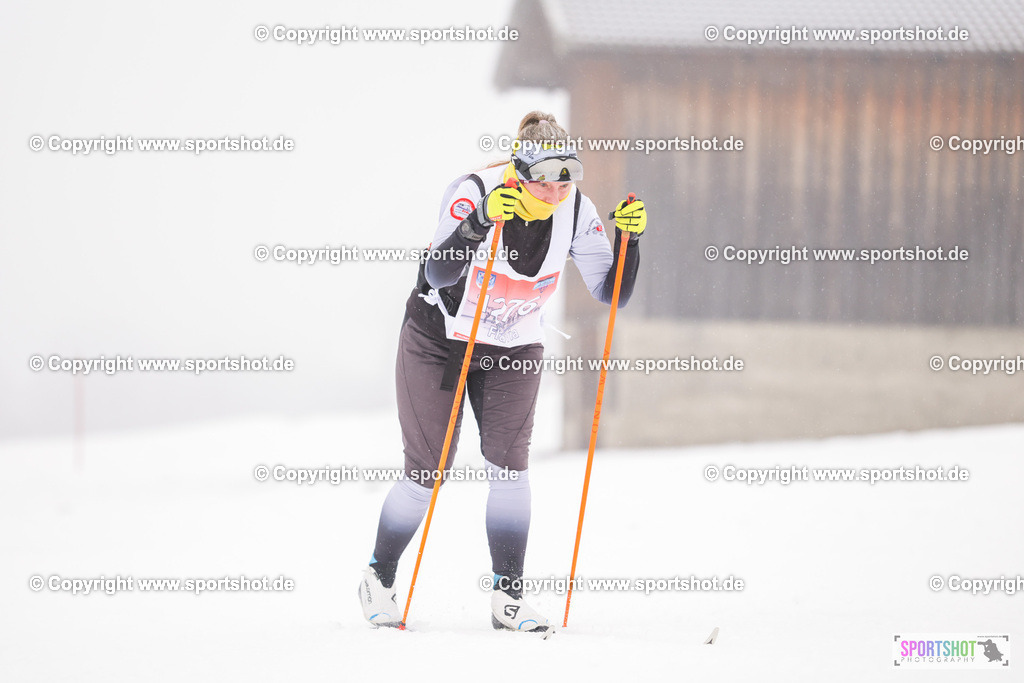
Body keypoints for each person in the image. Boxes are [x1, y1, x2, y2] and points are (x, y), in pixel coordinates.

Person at [358, 111, 647, 633]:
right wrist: (480, 223)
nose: (555, 194)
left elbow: (612, 293)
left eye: (566, 182)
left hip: (513, 344)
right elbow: (439, 270)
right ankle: (379, 578)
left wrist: (631, 242)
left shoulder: (576, 210)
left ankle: (507, 598)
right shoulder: (474, 190)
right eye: (544, 183)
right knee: (428, 470)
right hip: (439, 338)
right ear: (519, 171)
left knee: (510, 468)